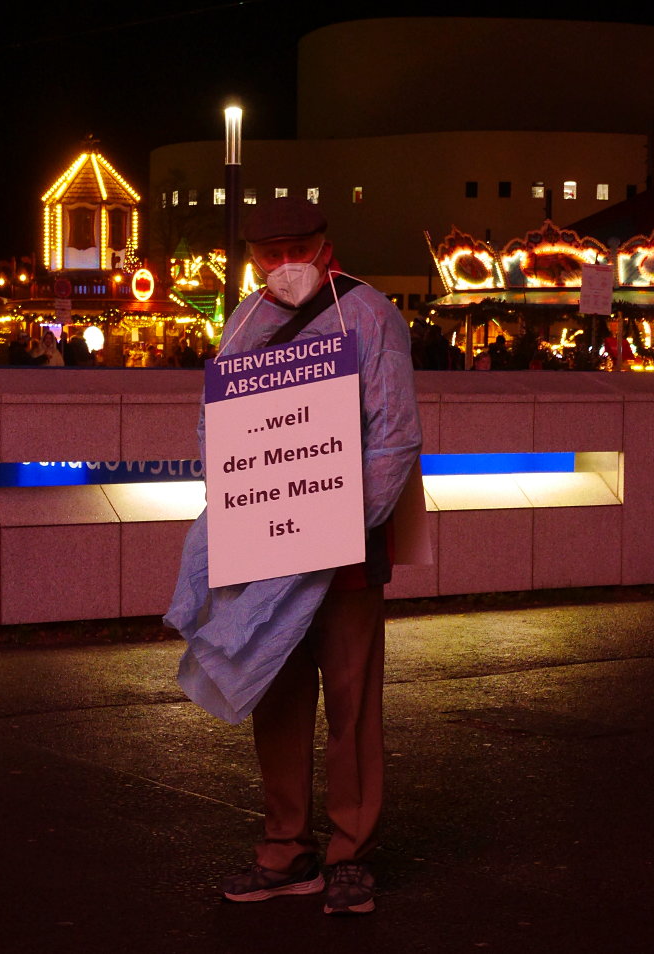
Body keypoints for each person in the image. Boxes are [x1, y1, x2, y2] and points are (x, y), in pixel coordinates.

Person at [164, 196, 422, 916]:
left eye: (293, 251)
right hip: (264, 551)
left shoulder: (370, 315)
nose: (282, 267)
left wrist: (333, 527)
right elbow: (219, 422)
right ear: (251, 258)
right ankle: (286, 849)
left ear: (322, 245)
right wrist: (244, 507)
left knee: (351, 705)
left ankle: (350, 853)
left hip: (343, 556)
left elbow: (395, 436)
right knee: (273, 699)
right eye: (267, 255)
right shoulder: (244, 318)